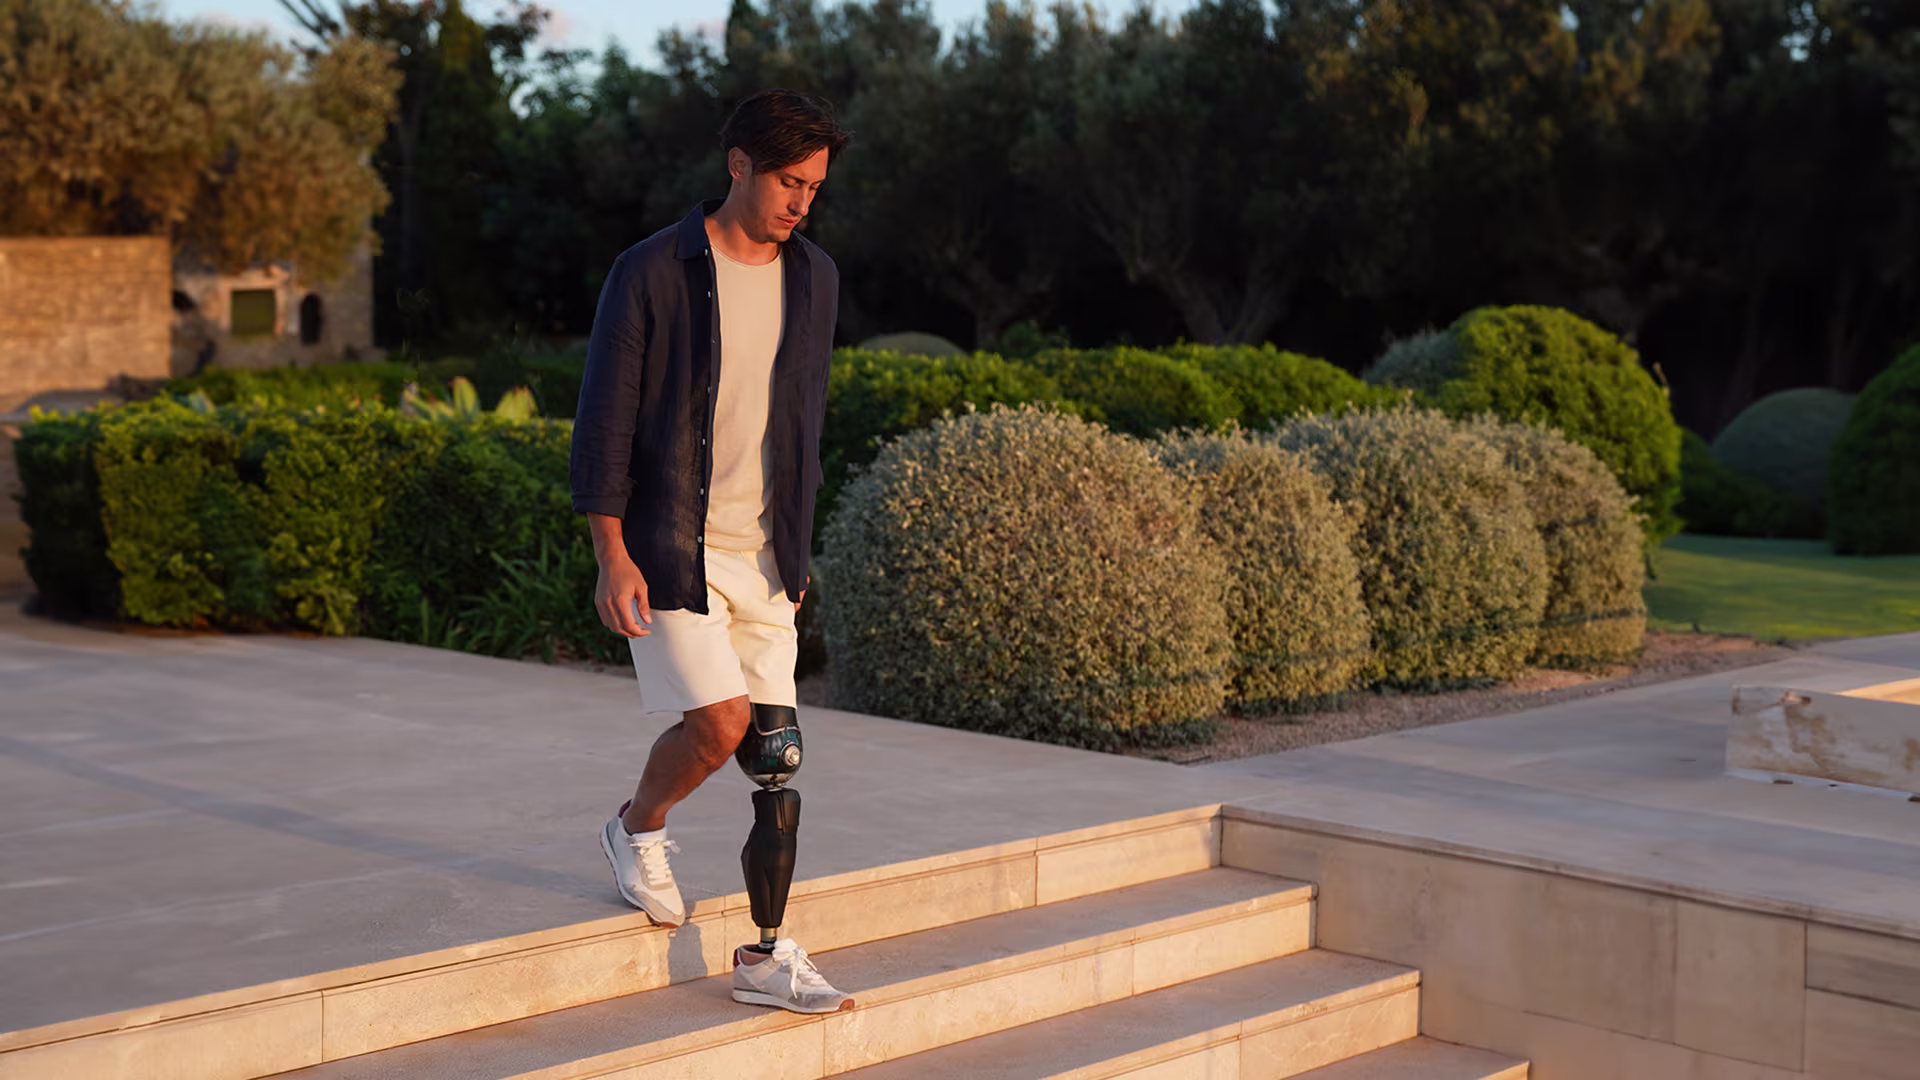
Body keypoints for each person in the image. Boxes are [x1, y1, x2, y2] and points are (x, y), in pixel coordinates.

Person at [569, 88, 852, 1014]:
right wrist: (611, 551)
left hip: (767, 558)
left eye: (814, 186)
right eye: (787, 181)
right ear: (738, 164)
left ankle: (766, 957)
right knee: (721, 726)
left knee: (778, 761)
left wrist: (795, 549)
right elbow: (605, 420)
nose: (801, 201)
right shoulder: (651, 270)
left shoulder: (815, 276)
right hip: (673, 548)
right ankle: (636, 828)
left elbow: (803, 423)